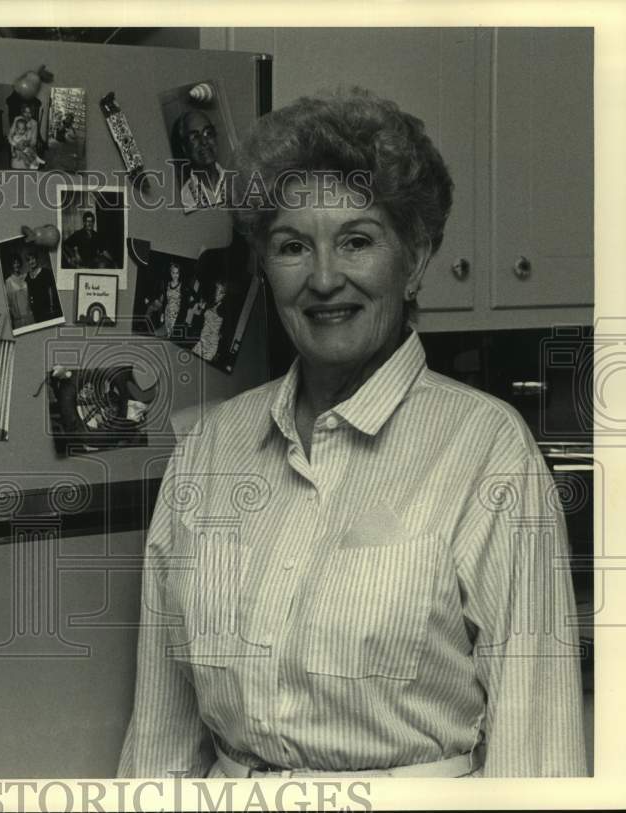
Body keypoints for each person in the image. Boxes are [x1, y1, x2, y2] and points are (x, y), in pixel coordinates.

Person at [118, 88, 586, 779]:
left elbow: (537, 750)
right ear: (264, 264)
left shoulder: (487, 450)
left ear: (416, 256)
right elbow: (160, 736)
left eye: (358, 240)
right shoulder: (209, 452)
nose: (325, 278)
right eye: (291, 246)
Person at [171, 110, 227, 212]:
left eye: (208, 133)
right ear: (185, 148)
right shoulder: (184, 198)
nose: (204, 142)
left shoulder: (238, 181)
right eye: (194, 137)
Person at [191, 280, 227, 362]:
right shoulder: (213, 303)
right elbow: (199, 312)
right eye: (217, 290)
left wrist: (205, 307)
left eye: (220, 292)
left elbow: (224, 326)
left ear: (224, 295)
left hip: (210, 344)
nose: (217, 293)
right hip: (202, 339)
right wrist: (200, 307)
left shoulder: (224, 308)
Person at [25, 252, 61, 323]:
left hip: (47, 307)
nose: (31, 261)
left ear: (36, 259)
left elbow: (50, 289)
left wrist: (51, 305)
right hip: (35, 309)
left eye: (33, 258)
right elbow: (29, 294)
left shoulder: (46, 272)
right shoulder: (27, 277)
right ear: (27, 263)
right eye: (29, 260)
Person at [4, 255, 33, 329]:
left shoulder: (26, 276)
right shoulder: (8, 281)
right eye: (14, 263)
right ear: (11, 265)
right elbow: (9, 302)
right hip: (18, 318)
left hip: (30, 314)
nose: (16, 265)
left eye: (17, 263)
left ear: (20, 264)